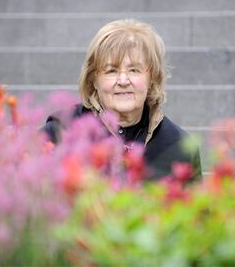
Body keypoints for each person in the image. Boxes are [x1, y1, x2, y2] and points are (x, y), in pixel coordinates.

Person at [44, 19, 201, 181]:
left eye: (134, 70)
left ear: (152, 78)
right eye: (111, 71)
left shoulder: (180, 146)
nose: (123, 80)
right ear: (93, 80)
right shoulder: (58, 133)